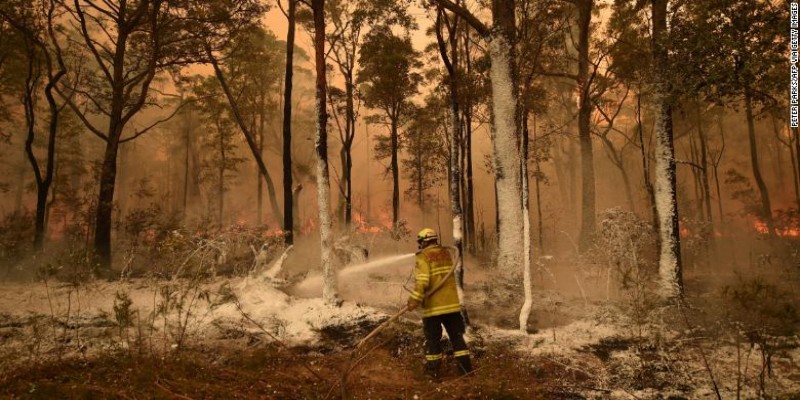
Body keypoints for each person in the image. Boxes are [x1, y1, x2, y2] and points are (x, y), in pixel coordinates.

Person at [407, 228, 472, 379]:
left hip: (434, 308)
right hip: (452, 306)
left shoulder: (423, 257)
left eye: (420, 242)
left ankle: (433, 372)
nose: (420, 245)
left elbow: (422, 281)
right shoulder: (446, 254)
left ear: (424, 242)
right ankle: (466, 371)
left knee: (433, 341)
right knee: (457, 338)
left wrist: (413, 300)